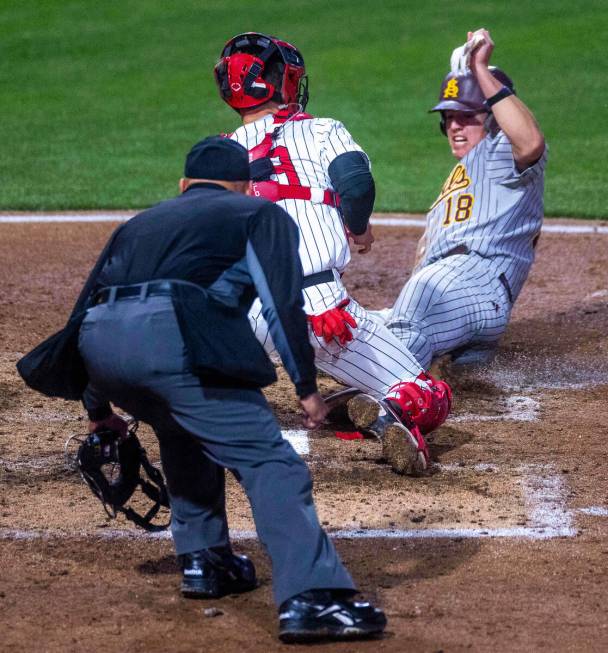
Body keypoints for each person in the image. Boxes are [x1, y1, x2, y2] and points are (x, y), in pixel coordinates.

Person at [52, 137, 386, 642]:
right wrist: (306, 387)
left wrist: (98, 410)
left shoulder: (136, 224)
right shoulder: (258, 213)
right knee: (271, 463)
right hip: (173, 338)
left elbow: (83, 310)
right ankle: (315, 599)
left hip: (103, 345)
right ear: (247, 186)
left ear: (184, 186)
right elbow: (281, 303)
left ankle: (206, 561)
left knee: (180, 425)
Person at [214, 32, 452, 475]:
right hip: (317, 311)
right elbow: (356, 184)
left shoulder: (217, 152)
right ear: (280, 82)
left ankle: (200, 417)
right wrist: (357, 229)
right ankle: (391, 411)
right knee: (428, 397)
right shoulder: (321, 130)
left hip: (237, 315)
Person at [384, 29, 546, 369]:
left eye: (467, 116)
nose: (455, 126)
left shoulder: (501, 151)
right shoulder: (462, 178)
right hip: (458, 305)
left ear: (492, 119)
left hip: (473, 281)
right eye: (449, 117)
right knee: (353, 327)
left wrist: (481, 70)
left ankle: (386, 392)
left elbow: (530, 142)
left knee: (420, 300)